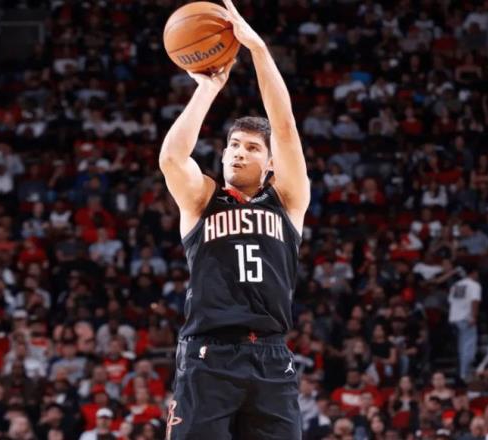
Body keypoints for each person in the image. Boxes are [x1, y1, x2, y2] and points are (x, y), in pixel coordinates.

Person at [159, 0, 310, 438]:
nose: (239, 153)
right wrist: (208, 87)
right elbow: (172, 158)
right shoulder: (202, 199)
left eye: (252, 148)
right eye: (233, 145)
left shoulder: (287, 200)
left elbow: (285, 128)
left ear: (270, 164)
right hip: (208, 356)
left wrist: (258, 50)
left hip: (271, 357)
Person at [448, 264, 482, 382]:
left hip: (454, 319)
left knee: (461, 348)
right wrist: (473, 317)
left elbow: (451, 301)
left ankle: (461, 373)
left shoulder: (456, 285)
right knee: (468, 347)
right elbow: (475, 301)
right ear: (474, 273)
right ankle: (465, 374)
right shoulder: (474, 285)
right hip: (466, 319)